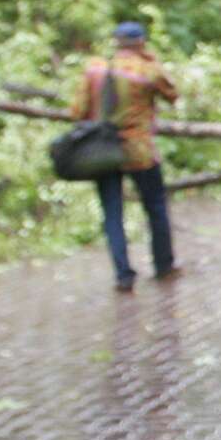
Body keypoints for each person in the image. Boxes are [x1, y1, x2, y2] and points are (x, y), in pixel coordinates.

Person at [71, 21, 181, 291]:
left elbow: (76, 111)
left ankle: (123, 275)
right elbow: (173, 94)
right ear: (141, 42)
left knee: (112, 213)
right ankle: (163, 265)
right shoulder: (148, 70)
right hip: (138, 150)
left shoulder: (96, 69)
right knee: (155, 207)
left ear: (116, 42)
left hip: (103, 151)